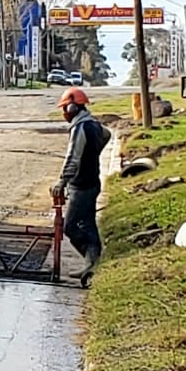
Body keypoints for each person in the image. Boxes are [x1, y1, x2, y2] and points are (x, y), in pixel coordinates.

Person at [51, 87, 111, 280]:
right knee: (88, 223)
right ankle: (92, 264)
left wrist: (62, 181)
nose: (64, 113)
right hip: (93, 181)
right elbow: (107, 134)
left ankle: (91, 259)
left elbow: (72, 158)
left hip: (81, 186)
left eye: (65, 108)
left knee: (70, 227)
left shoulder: (80, 127)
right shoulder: (93, 125)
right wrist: (93, 153)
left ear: (72, 107)